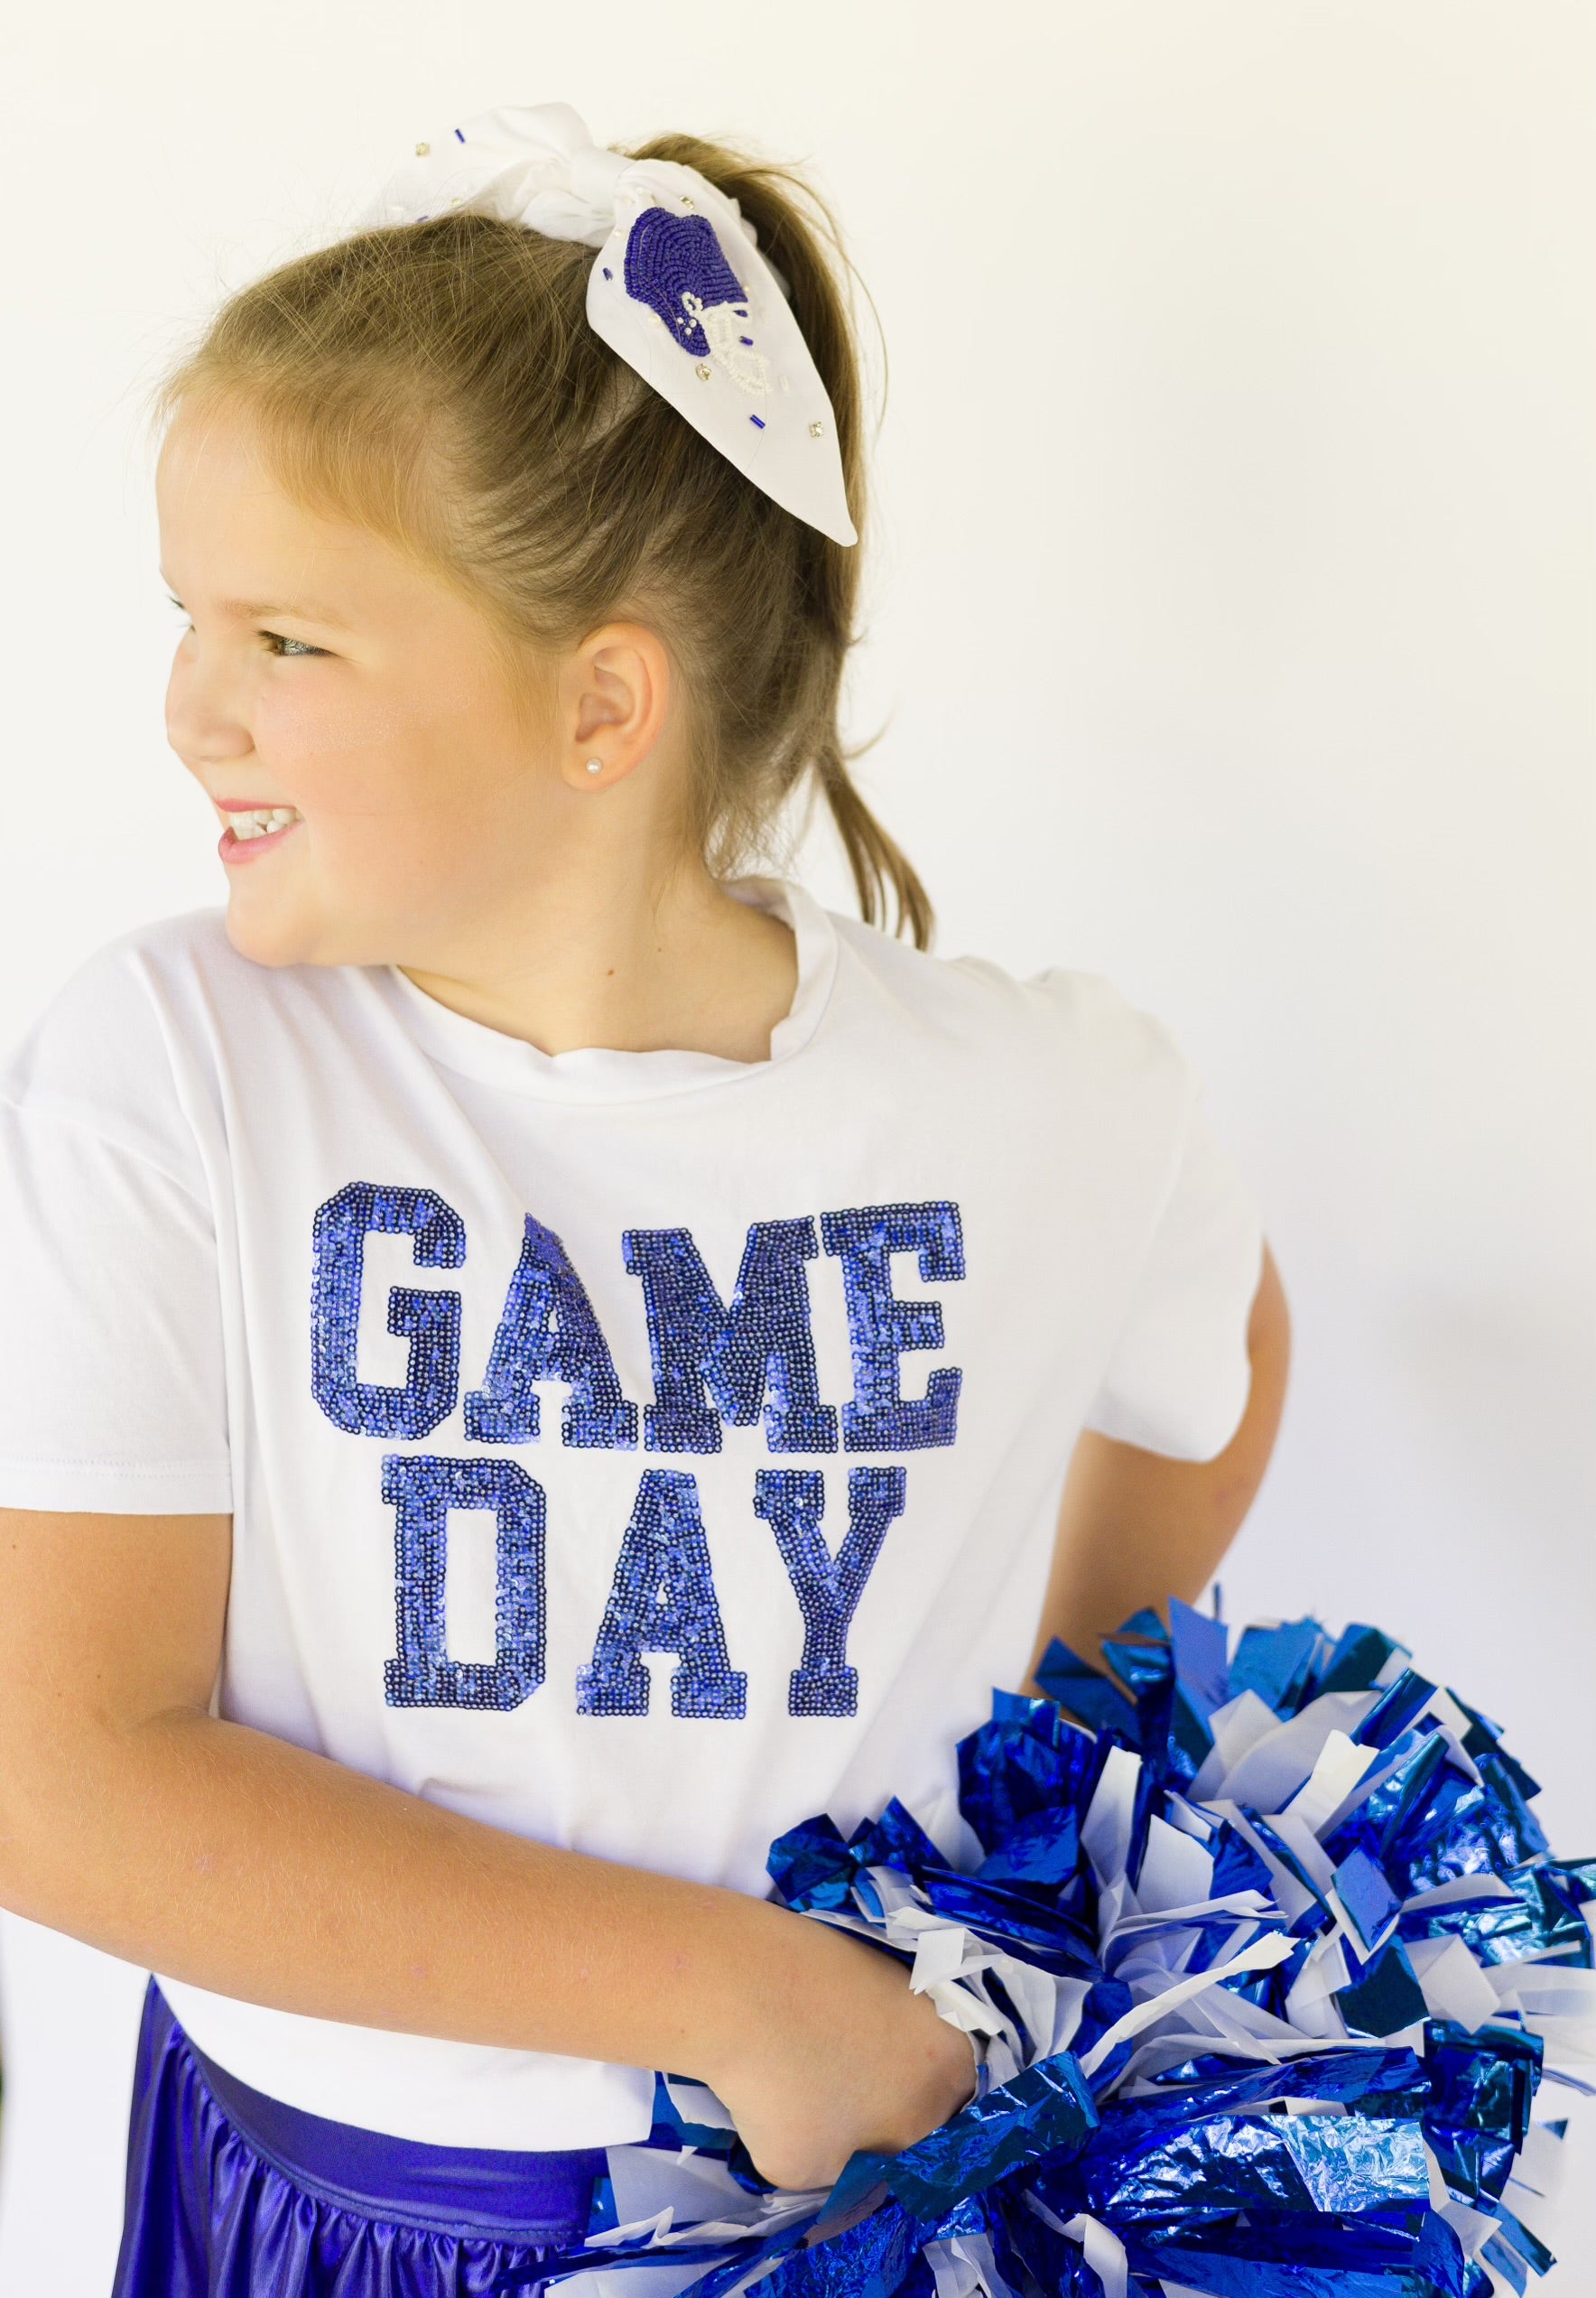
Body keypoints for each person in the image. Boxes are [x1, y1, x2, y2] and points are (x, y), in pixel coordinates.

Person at [0, 102, 1290, 2298]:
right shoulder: (183, 1062)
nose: (188, 704)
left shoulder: (1045, 1094)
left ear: (601, 702)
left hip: (831, 2235)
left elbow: (1212, 1352)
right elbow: (61, 1774)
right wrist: (738, 1991)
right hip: (333, 2203)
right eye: (185, 618)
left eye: (288, 640)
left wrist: (1034, 1768)